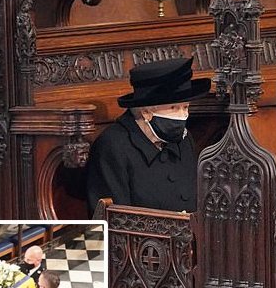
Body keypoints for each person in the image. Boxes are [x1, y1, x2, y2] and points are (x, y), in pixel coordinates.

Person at [85, 57, 210, 213]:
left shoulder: (184, 139)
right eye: (174, 107)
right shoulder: (112, 147)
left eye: (185, 107)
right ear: (146, 112)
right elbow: (114, 221)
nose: (183, 115)